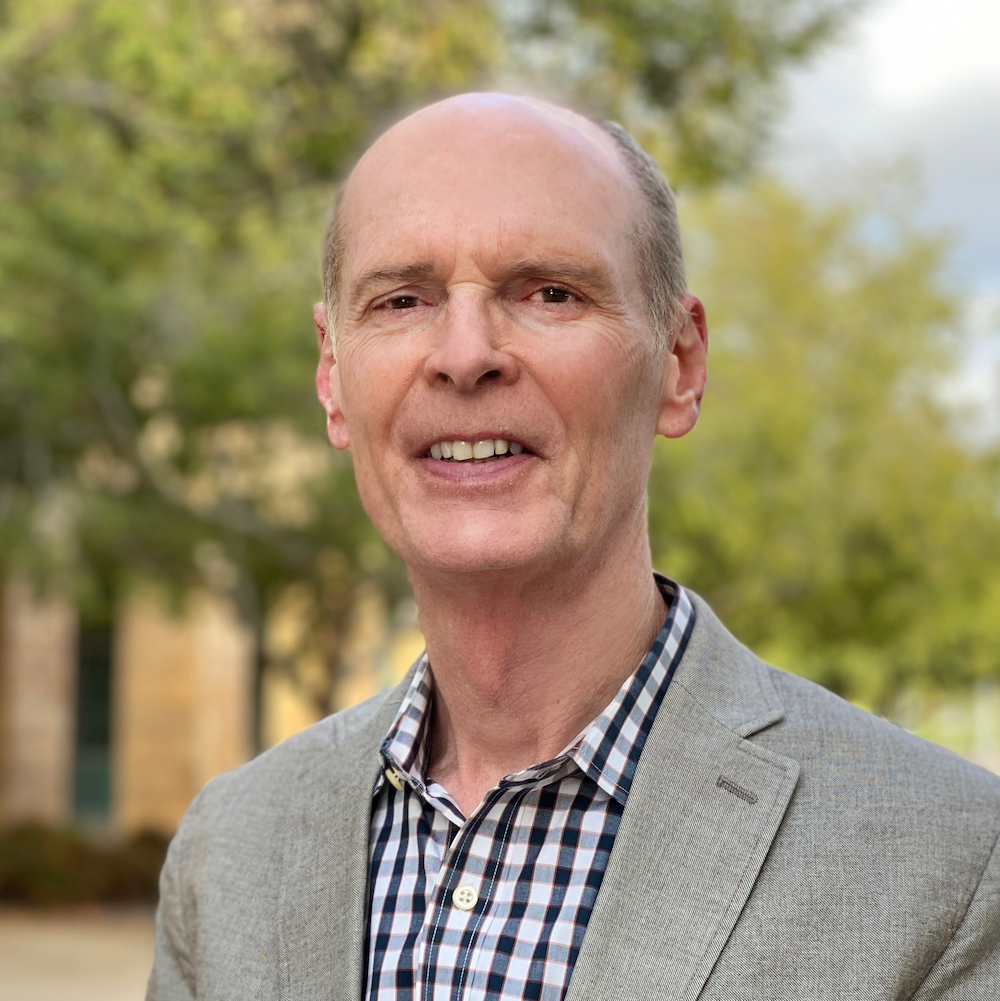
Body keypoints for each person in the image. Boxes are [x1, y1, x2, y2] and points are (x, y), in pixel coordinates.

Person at [147, 94, 1000, 1001]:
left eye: (549, 291)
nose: (465, 354)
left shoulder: (948, 865)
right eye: (403, 299)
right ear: (331, 376)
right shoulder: (225, 855)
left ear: (679, 362)